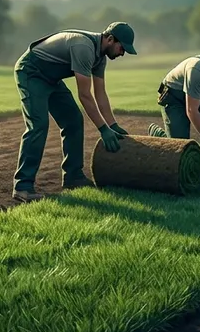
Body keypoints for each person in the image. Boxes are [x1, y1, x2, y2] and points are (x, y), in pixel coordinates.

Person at [11, 22, 137, 202]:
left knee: (73, 120)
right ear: (110, 39)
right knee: (38, 125)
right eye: (122, 47)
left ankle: (73, 177)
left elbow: (100, 94)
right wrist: (102, 129)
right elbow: (85, 96)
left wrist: (113, 125)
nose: (122, 53)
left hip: (51, 79)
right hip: (31, 72)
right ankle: (22, 186)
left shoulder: (100, 57)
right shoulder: (83, 48)